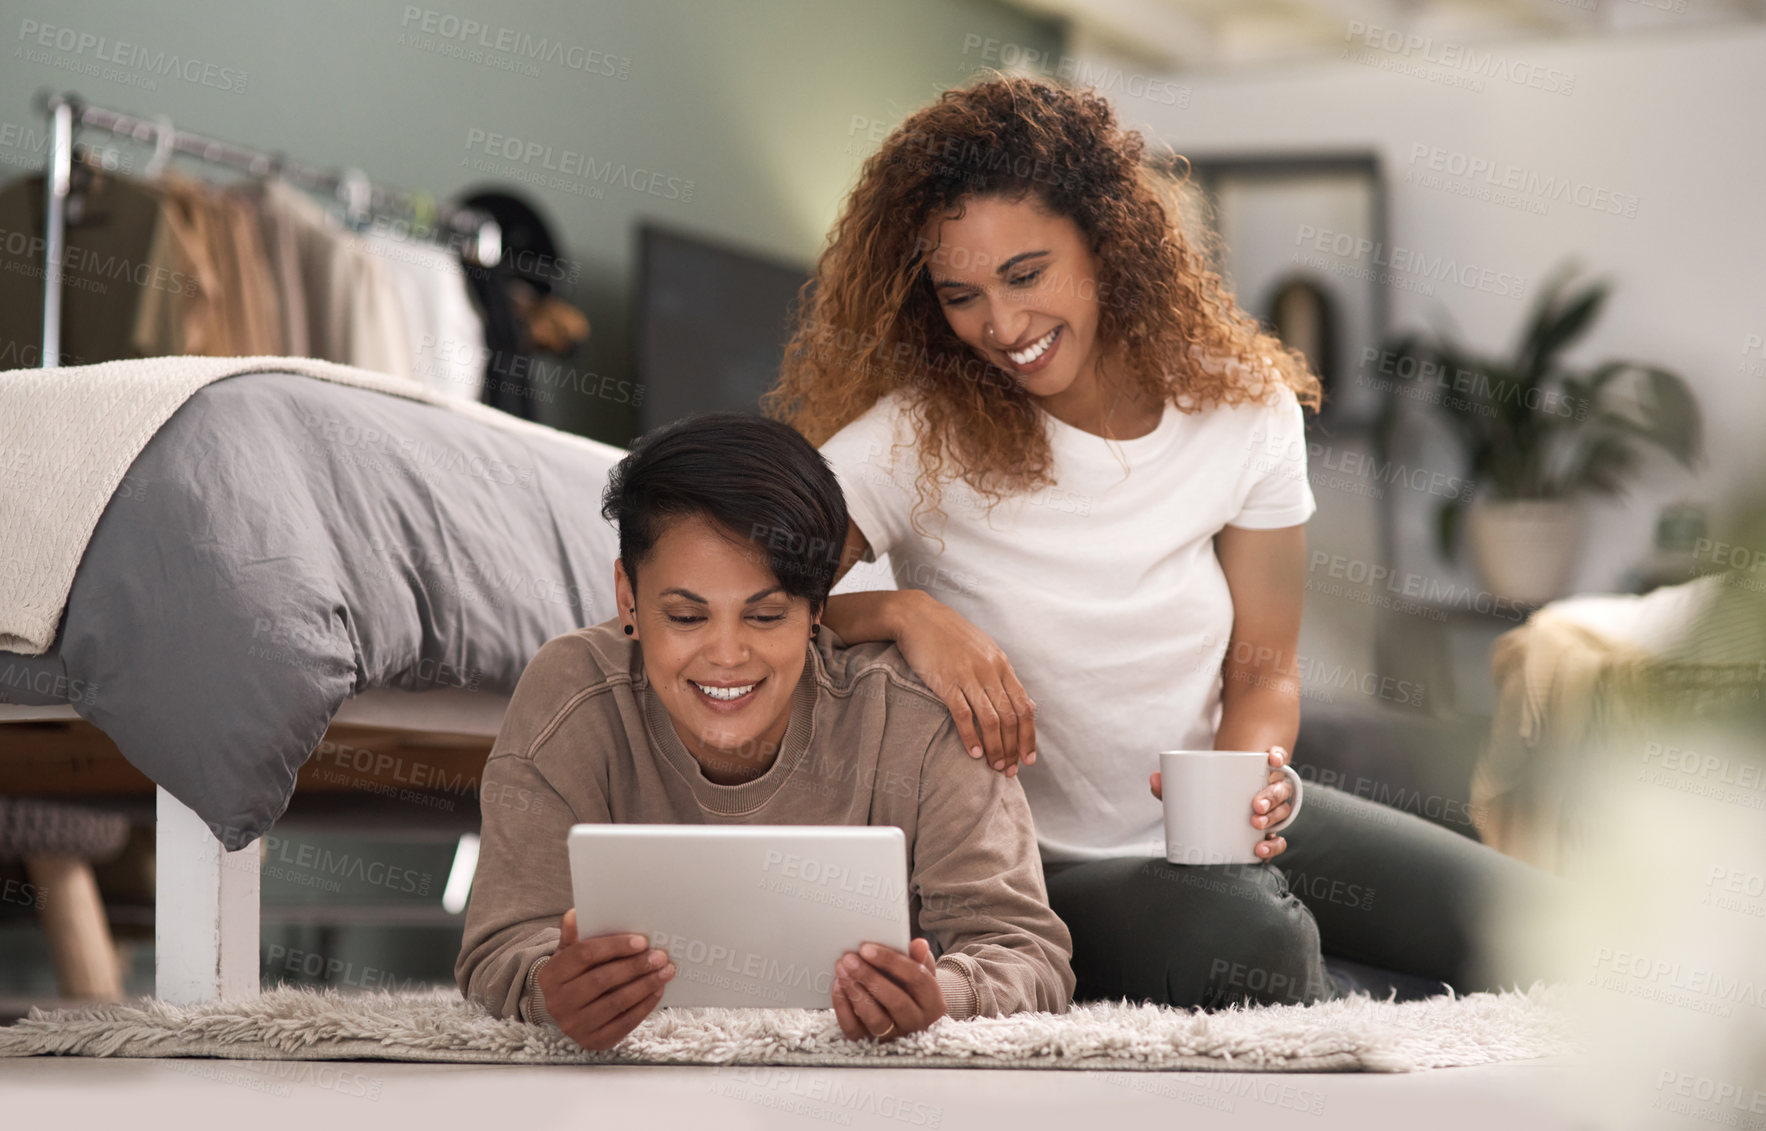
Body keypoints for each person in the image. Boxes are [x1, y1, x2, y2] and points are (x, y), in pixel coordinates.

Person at [766, 75, 1556, 1009]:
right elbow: (747, 608)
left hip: (1225, 822)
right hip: (1046, 870)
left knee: (1556, 930)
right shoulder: (912, 438)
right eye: (961, 295)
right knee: (1254, 942)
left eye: (1026, 274)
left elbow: (1264, 673)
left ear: (1104, 241)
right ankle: (1300, 978)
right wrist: (905, 612)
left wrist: (1246, 783)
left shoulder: (1242, 405)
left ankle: (1303, 954)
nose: (1002, 325)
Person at [455, 413, 1074, 1050]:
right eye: (687, 616)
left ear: (816, 609)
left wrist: (942, 996)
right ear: (627, 598)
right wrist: (548, 986)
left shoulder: (916, 718)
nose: (726, 655)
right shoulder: (572, 695)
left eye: (767, 615)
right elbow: (501, 944)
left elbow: (1027, 950)